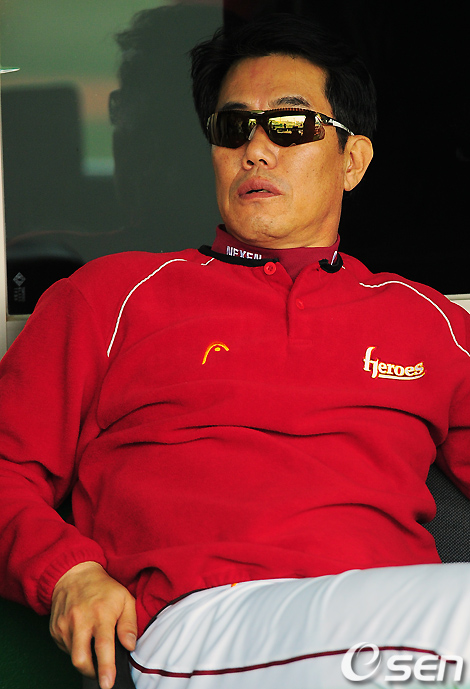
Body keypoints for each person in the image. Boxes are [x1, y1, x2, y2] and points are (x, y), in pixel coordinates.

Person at [1, 11, 470, 689]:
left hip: (390, 634)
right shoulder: (113, 297)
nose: (256, 149)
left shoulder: (427, 321)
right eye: (233, 127)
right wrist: (68, 573)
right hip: (199, 627)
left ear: (353, 161)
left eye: (289, 125)